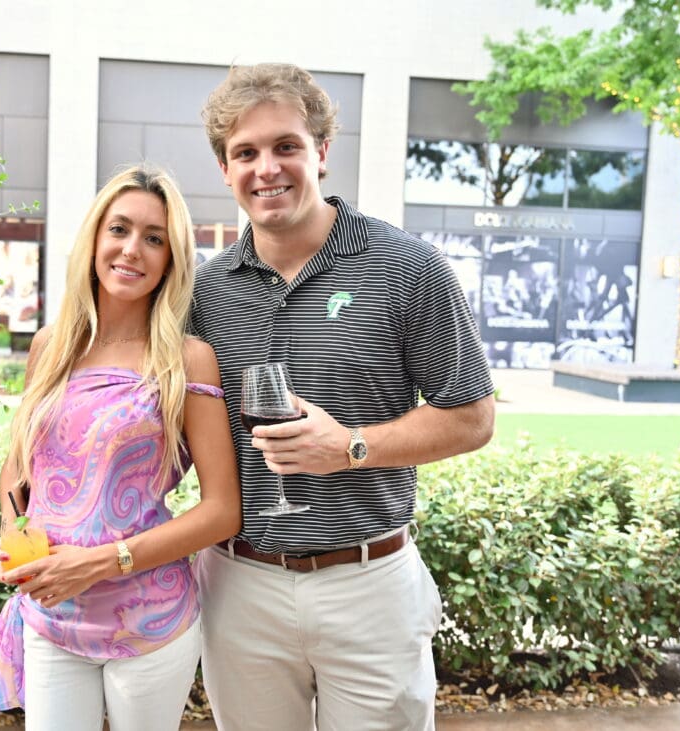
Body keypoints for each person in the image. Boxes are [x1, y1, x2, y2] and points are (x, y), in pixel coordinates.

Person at [190, 63, 496, 731]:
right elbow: (178, 434)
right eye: (245, 152)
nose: (267, 168)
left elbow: (473, 416)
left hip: (370, 583)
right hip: (240, 586)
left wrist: (353, 446)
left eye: (286, 146)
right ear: (224, 168)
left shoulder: (409, 267)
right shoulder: (204, 292)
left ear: (322, 152)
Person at [0, 165, 241, 731]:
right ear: (95, 238)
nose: (132, 250)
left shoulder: (187, 359)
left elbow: (223, 512)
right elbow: (19, 469)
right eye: (119, 229)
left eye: (154, 238)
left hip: (149, 619)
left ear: (172, 258)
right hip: (52, 613)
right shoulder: (52, 345)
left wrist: (99, 564)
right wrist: (15, 535)